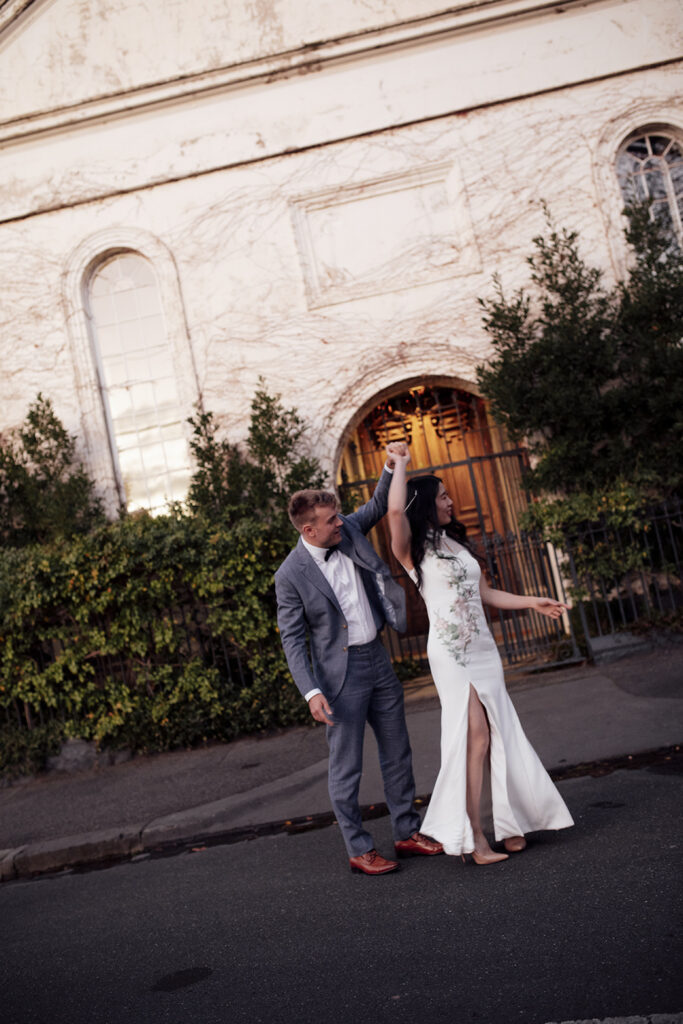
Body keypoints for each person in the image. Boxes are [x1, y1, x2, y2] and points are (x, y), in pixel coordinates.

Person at [387, 446, 574, 864]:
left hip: (483, 651)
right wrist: (399, 464)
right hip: (451, 654)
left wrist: (532, 602)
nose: (451, 502)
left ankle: (510, 826)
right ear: (425, 506)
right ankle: (473, 837)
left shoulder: (455, 544)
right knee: (475, 736)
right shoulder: (412, 552)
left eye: (449, 496)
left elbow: (484, 593)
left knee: (499, 733)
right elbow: (395, 514)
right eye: (442, 497)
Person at [275, 444, 443, 875]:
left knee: (398, 752)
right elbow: (292, 639)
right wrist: (311, 690)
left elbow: (374, 505)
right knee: (347, 768)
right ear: (309, 531)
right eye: (331, 521)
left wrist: (389, 466)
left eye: (338, 517)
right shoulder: (290, 575)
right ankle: (359, 848)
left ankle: (407, 831)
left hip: (378, 662)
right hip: (339, 680)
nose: (340, 524)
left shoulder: (347, 529)